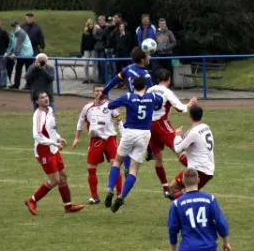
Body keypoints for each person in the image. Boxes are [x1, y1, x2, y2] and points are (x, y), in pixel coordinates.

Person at [104, 76, 163, 213]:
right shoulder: (152, 96)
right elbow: (159, 102)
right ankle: (121, 196)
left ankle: (110, 189)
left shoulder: (128, 96)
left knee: (117, 162)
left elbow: (110, 105)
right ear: (146, 86)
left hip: (129, 132)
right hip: (144, 134)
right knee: (134, 169)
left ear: (132, 86)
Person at [24, 91, 85, 216]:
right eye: (42, 97)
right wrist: (53, 143)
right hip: (43, 151)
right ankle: (32, 200)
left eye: (46, 96)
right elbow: (37, 135)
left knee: (63, 176)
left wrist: (58, 138)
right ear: (36, 101)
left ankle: (68, 206)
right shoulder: (38, 115)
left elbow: (51, 129)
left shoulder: (50, 110)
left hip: (53, 148)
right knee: (55, 180)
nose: (45, 99)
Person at [72, 85, 124, 204]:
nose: (100, 92)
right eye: (97, 90)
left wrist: (124, 136)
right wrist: (77, 138)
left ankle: (120, 195)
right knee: (91, 168)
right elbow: (80, 122)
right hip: (95, 140)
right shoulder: (87, 108)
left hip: (110, 139)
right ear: (93, 93)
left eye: (102, 90)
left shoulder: (111, 105)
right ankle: (94, 196)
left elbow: (120, 121)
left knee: (114, 165)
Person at [147, 69, 196, 195]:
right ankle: (197, 171)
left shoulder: (149, 90)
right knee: (179, 150)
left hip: (149, 126)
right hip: (162, 124)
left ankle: (165, 188)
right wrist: (190, 104)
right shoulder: (167, 92)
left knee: (158, 159)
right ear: (169, 80)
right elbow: (181, 109)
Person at [166, 105, 214, 200]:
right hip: (208, 168)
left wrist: (177, 135)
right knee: (190, 195)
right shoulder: (206, 127)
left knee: (171, 190)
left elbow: (177, 148)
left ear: (190, 117)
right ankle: (188, 210)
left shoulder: (193, 133)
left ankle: (185, 210)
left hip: (199, 170)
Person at [5, 21, 34, 89]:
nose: (13, 27)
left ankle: (29, 85)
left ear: (18, 26)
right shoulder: (12, 33)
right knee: (18, 68)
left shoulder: (21, 32)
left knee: (28, 70)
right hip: (20, 54)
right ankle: (16, 84)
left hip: (27, 54)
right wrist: (7, 52)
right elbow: (11, 44)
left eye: (14, 26)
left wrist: (15, 53)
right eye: (12, 26)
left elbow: (19, 44)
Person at [81, 19, 97, 83]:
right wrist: (82, 50)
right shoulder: (85, 33)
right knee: (85, 64)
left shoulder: (95, 32)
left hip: (93, 49)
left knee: (94, 64)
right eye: (89, 24)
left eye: (92, 24)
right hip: (86, 49)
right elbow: (83, 42)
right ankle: (86, 78)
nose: (90, 25)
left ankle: (94, 78)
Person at [94, 15, 108, 83]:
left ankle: (104, 78)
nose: (99, 22)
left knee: (102, 63)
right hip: (97, 47)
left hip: (103, 47)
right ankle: (100, 78)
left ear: (104, 20)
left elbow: (103, 35)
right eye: (99, 20)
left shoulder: (106, 27)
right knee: (98, 64)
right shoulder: (97, 28)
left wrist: (99, 29)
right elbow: (94, 36)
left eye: (101, 20)